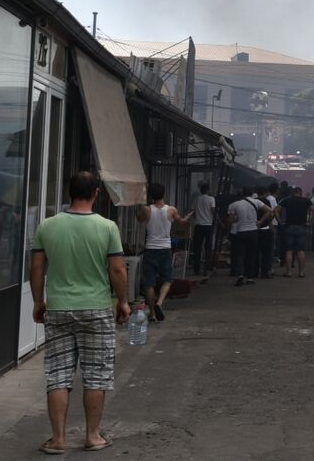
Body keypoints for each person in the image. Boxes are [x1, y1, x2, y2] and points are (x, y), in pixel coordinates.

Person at [30, 171, 129, 454]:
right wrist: (122, 301)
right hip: (97, 309)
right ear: (96, 193)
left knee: (58, 375)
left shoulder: (47, 226)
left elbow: (37, 269)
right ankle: (93, 436)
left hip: (59, 308)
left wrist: (39, 302)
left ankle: (58, 439)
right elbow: (118, 269)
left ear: (69, 193)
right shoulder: (107, 227)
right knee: (96, 375)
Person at [135, 183, 190, 322]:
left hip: (150, 249)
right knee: (168, 279)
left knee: (149, 283)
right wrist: (189, 217)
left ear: (151, 195)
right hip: (165, 249)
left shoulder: (147, 210)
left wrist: (144, 206)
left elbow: (139, 219)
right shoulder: (171, 210)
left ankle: (152, 313)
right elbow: (181, 223)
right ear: (164, 193)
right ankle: (160, 302)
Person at [226, 186, 268, 286]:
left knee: (240, 255)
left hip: (241, 232)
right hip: (253, 232)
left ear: (242, 193)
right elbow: (269, 211)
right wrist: (260, 221)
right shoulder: (256, 202)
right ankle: (250, 278)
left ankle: (240, 275)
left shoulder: (235, 205)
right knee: (251, 255)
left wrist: (238, 220)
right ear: (252, 193)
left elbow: (230, 221)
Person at [280, 187, 313, 277]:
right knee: (301, 250)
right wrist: (311, 222)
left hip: (289, 226)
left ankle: (289, 272)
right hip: (301, 226)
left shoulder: (286, 200)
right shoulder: (306, 201)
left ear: (293, 193)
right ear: (301, 193)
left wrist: (280, 221)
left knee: (289, 250)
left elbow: (275, 210)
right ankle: (301, 272)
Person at [189, 182, 217, 279]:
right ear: (208, 190)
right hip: (208, 226)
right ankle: (206, 268)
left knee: (197, 248)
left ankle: (196, 269)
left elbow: (193, 213)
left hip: (198, 226)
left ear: (201, 190)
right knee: (208, 247)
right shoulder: (211, 199)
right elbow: (213, 211)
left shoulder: (196, 199)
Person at [257, 186, 281, 279]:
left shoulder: (257, 200)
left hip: (258, 227)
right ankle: (267, 269)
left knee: (258, 250)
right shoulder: (270, 200)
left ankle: (257, 269)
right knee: (268, 250)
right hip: (268, 226)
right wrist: (270, 223)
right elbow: (272, 212)